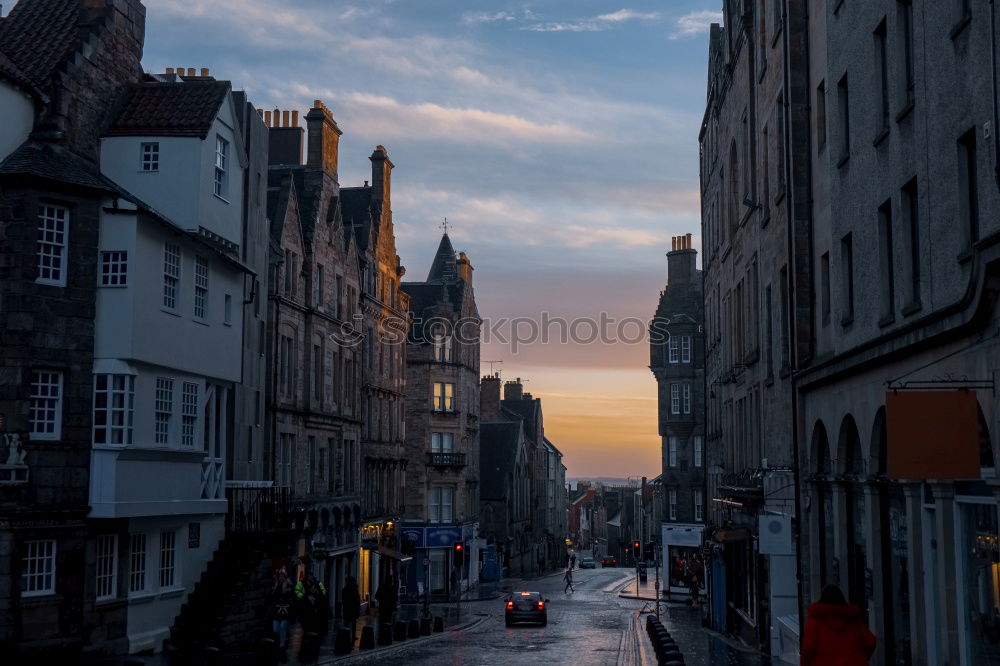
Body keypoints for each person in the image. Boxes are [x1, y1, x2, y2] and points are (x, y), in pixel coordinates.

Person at [801, 584, 877, 666]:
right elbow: (870, 641)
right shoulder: (852, 618)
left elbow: (808, 649)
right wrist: (861, 657)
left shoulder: (816, 619)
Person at [267, 567, 295, 651]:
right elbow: (271, 597)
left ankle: (282, 645)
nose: (281, 578)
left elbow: (292, 595)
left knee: (283, 627)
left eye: (283, 576)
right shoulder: (275, 586)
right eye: (280, 576)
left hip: (285, 612)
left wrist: (290, 586)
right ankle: (280, 641)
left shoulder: (288, 586)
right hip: (276, 612)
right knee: (276, 629)